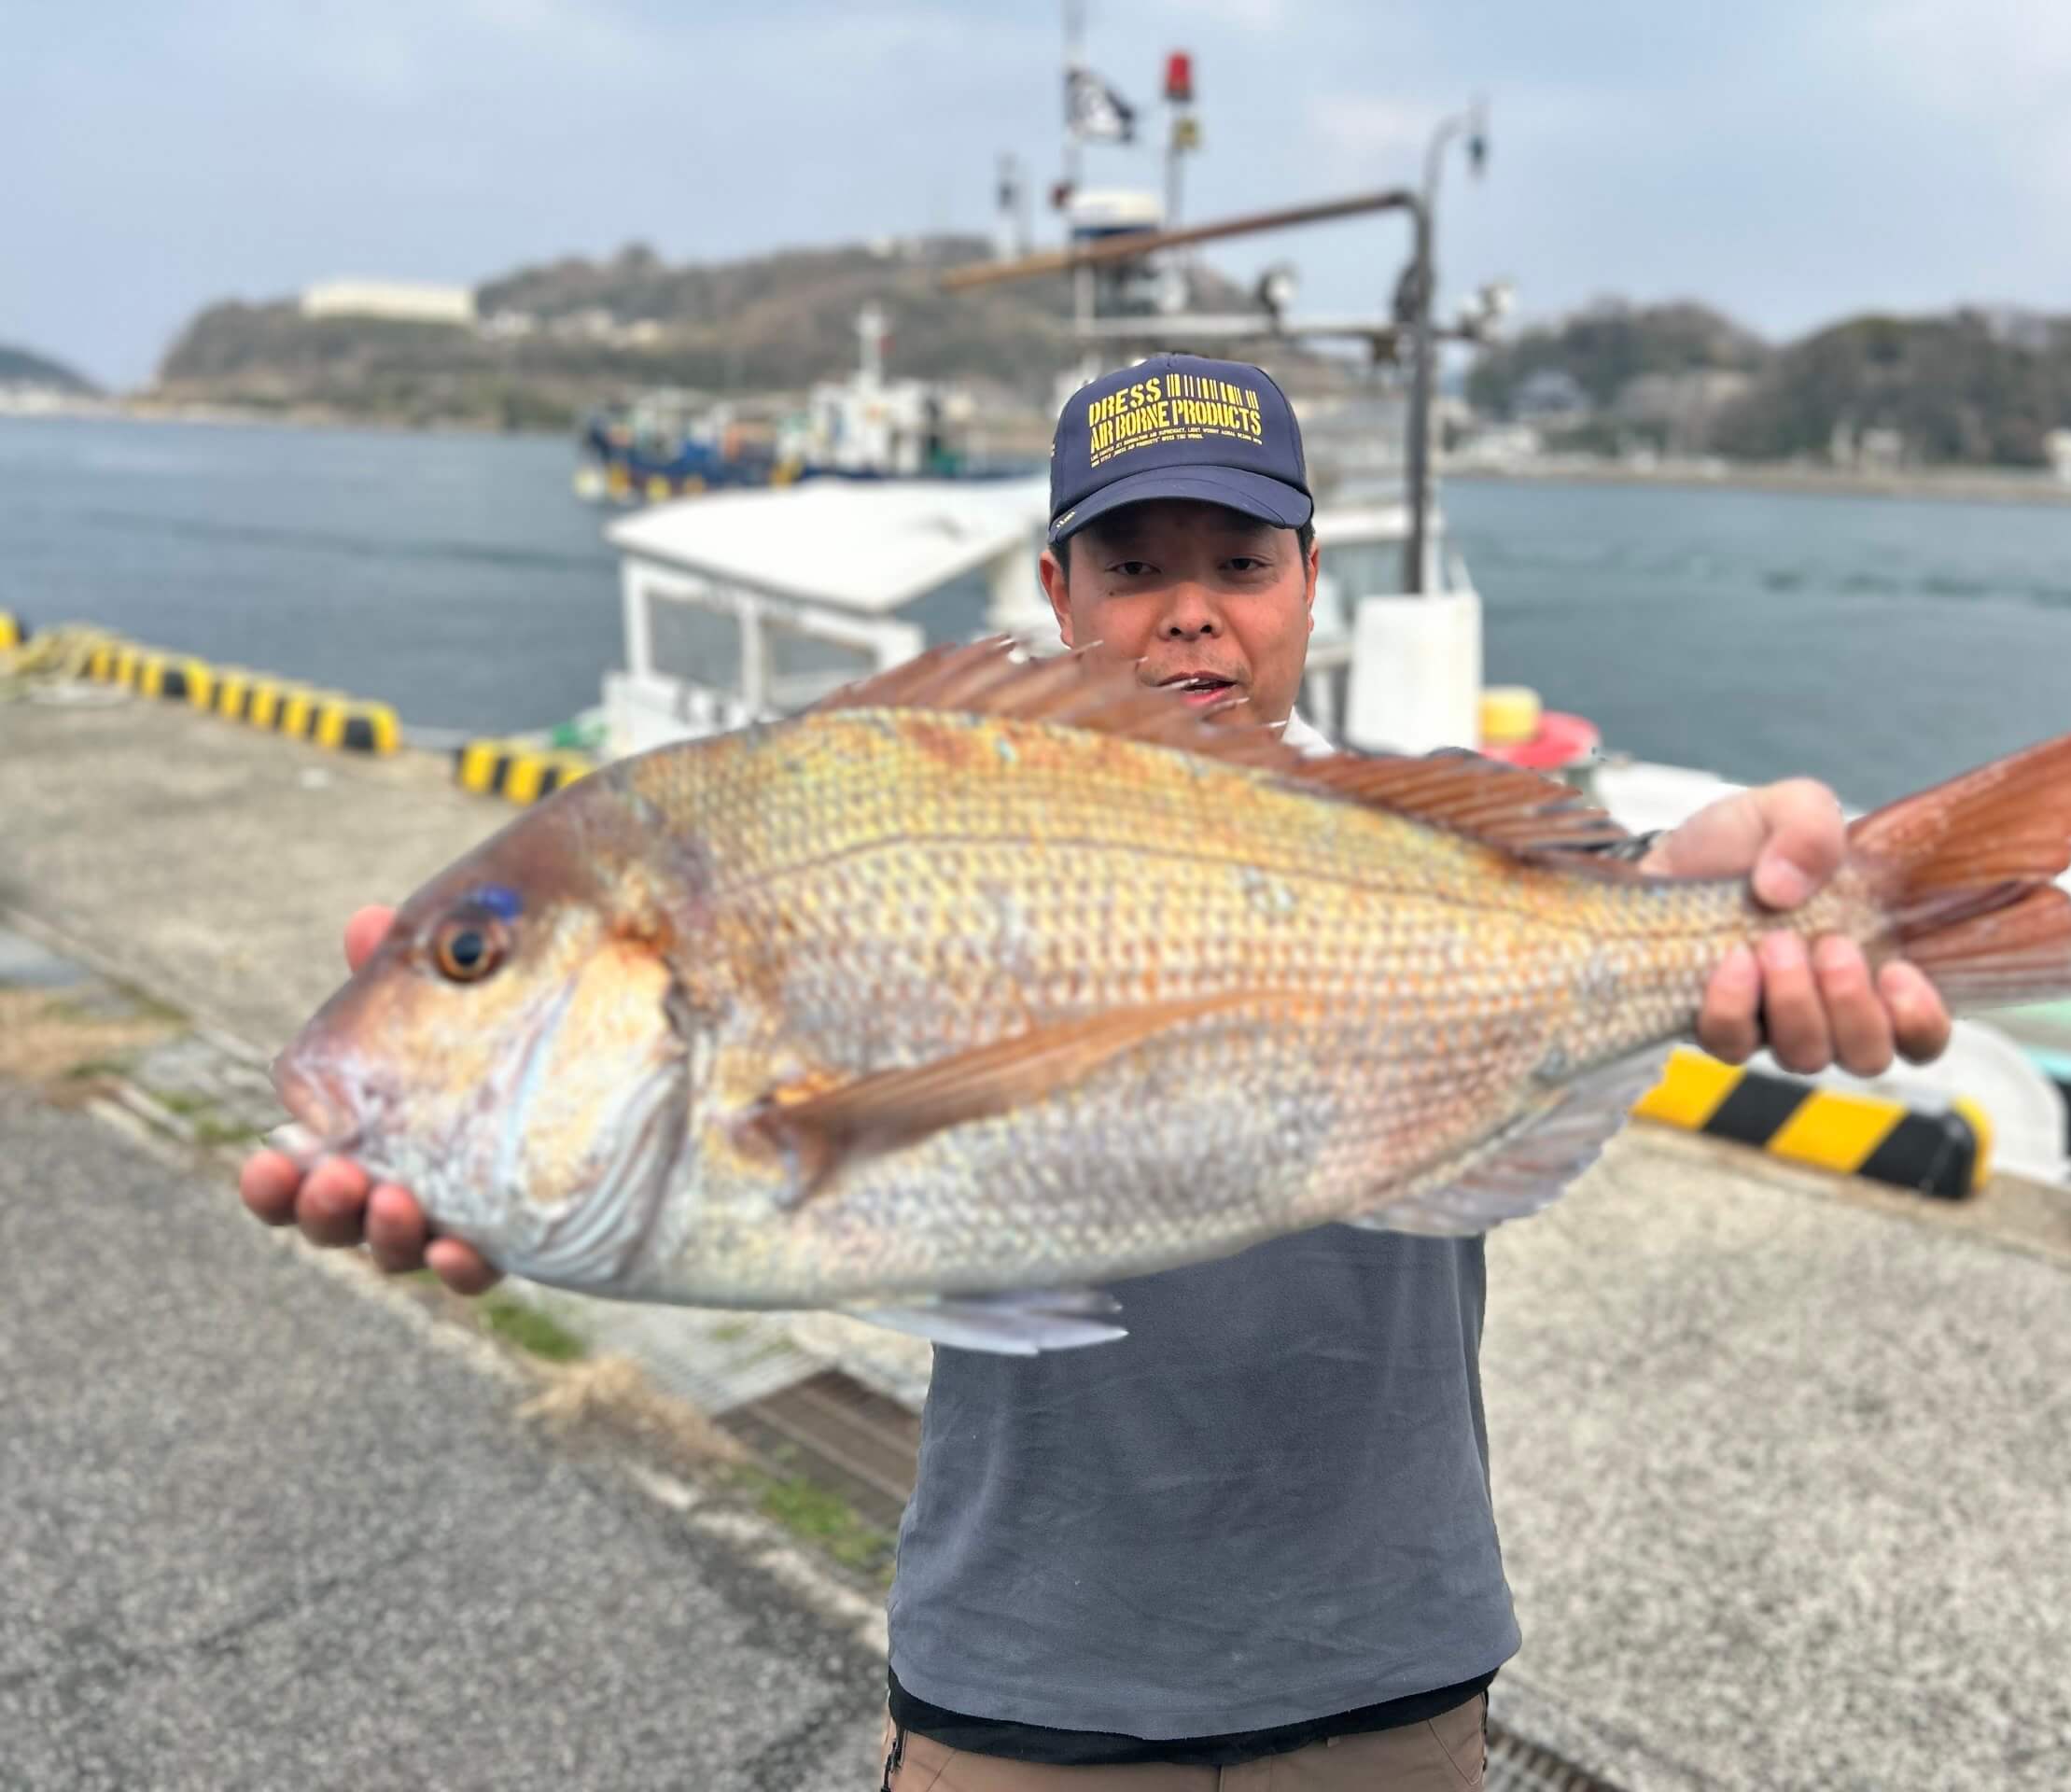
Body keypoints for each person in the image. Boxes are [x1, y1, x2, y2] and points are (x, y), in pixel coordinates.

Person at [240, 355, 1951, 1788]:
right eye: (1133, 565)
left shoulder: (1422, 825)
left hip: (1389, 1666)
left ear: (1305, 589)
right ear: (1056, 595)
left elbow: (1612, 890)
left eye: (1242, 561)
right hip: (1026, 1677)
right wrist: (481, 1160)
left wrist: (1731, 898)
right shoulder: (906, 796)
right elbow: (723, 1187)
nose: (1190, 611)